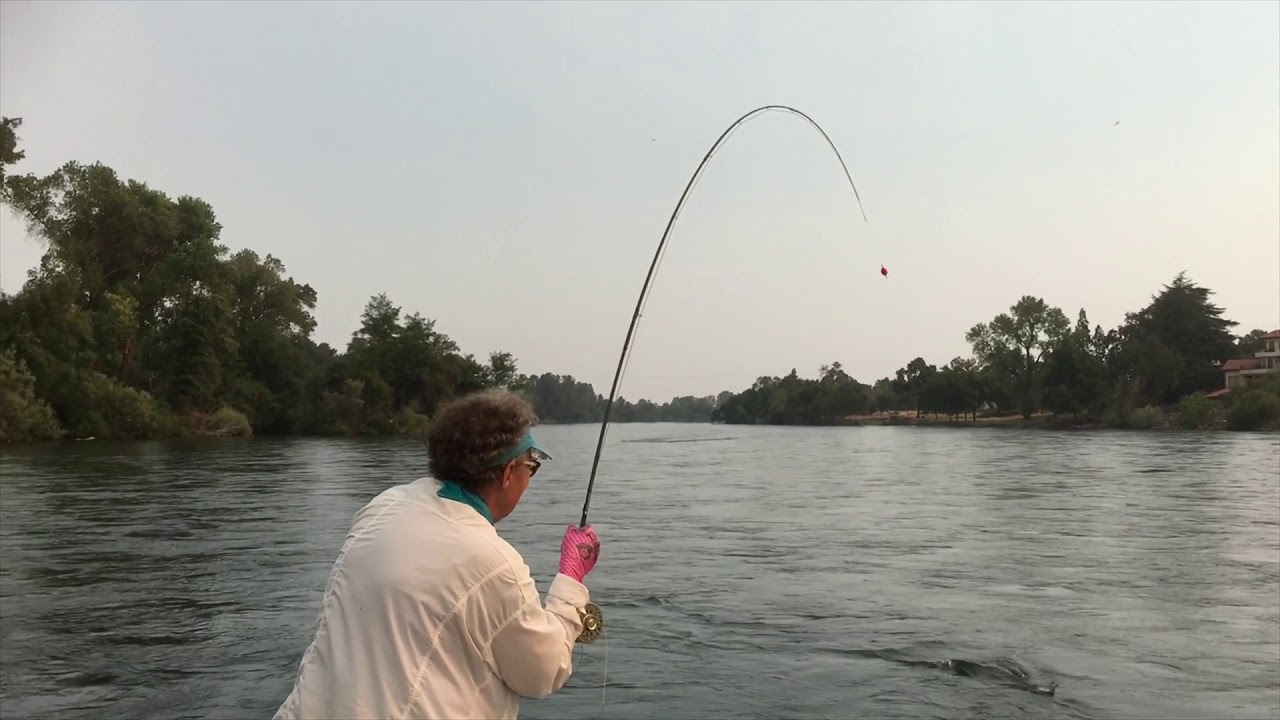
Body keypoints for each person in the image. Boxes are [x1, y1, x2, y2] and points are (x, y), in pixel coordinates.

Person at [273, 389, 602, 720]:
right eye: (530, 467)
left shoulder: (383, 507)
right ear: (506, 474)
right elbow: (542, 673)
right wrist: (571, 579)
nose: (529, 478)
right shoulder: (492, 562)